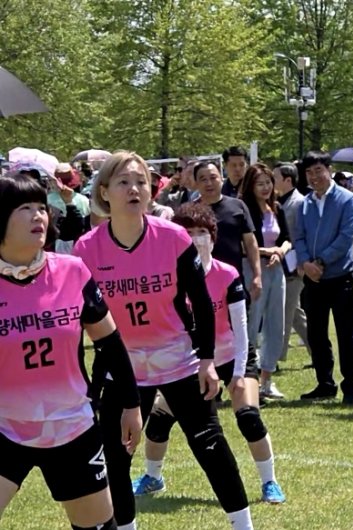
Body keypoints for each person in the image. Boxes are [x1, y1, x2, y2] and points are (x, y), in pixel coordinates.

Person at [73, 151, 254, 530]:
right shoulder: (86, 249)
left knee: (210, 444)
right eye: (124, 182)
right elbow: (79, 323)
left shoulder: (172, 237)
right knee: (116, 457)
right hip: (121, 370)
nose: (135, 189)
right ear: (104, 191)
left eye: (141, 181)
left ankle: (243, 525)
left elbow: (202, 303)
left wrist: (207, 360)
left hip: (178, 360)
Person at [0, 173, 141, 530]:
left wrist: (131, 403)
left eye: (41, 207)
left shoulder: (72, 271)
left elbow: (110, 343)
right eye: (25, 208)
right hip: (5, 429)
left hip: (72, 428)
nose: (39, 216)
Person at [131, 202, 286, 504]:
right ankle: (153, 477)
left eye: (202, 232)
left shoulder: (226, 274)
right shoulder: (167, 278)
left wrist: (239, 375)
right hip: (194, 363)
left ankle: (270, 482)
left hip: (232, 357)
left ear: (213, 236)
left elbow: (241, 330)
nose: (196, 237)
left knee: (248, 417)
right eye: (188, 232)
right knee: (160, 418)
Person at [294, 150, 353, 403]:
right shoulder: (305, 203)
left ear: (329, 170)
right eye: (309, 173)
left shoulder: (346, 199)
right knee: (316, 334)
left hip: (339, 276)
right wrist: (306, 263)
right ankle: (325, 382)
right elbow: (298, 236)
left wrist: (320, 261)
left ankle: (351, 386)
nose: (314, 177)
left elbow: (345, 238)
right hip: (313, 279)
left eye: (318, 171)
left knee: (346, 334)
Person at [239, 164, 292, 400]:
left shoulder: (276, 208)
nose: (265, 187)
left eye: (268, 182)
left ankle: (267, 380)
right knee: (252, 323)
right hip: (253, 269)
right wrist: (265, 250)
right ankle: (247, 379)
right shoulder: (244, 210)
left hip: (276, 269)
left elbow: (288, 239)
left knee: (276, 324)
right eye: (259, 183)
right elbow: (242, 244)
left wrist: (279, 251)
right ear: (250, 186)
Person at [192, 161, 262, 301]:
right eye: (203, 179)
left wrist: (257, 275)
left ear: (221, 178)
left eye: (213, 178)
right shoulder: (189, 212)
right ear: (196, 184)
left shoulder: (238, 206)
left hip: (233, 281)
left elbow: (250, 243)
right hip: (200, 283)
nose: (209, 183)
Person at [274, 162, 311, 363]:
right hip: (284, 264)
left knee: (285, 312)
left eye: (275, 178)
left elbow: (301, 235)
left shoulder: (299, 203)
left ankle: (275, 358)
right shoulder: (279, 201)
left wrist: (301, 262)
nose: (272, 182)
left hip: (294, 266)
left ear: (288, 180)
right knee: (295, 313)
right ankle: (319, 353)